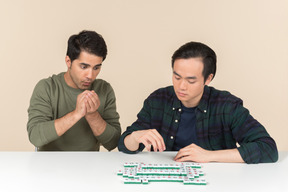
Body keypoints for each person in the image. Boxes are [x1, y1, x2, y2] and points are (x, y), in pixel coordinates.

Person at [118, 41, 278, 164]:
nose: (181, 86)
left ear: (208, 78)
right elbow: (125, 145)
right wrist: (135, 137)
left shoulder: (227, 105)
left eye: (191, 80)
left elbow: (268, 148)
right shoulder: (158, 100)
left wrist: (209, 156)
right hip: (167, 178)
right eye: (177, 77)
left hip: (216, 181)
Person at [27, 30, 121, 151]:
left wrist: (92, 115)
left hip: (90, 166)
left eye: (96, 68)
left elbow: (113, 143)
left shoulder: (104, 90)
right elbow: (35, 137)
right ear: (68, 62)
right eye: (84, 67)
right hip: (49, 167)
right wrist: (77, 114)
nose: (90, 75)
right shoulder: (47, 87)